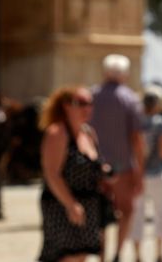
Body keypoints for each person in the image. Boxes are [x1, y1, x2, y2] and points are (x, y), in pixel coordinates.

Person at [90, 54, 145, 262]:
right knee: (127, 210)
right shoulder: (129, 99)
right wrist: (139, 171)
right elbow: (136, 139)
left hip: (95, 166)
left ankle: (102, 255)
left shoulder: (92, 95)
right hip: (123, 167)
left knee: (99, 215)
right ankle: (118, 252)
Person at [38, 86, 103, 262]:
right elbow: (52, 173)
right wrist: (71, 204)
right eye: (81, 103)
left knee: (81, 255)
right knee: (67, 256)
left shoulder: (88, 132)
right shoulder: (57, 132)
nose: (87, 108)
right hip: (61, 203)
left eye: (90, 103)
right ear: (66, 105)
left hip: (88, 203)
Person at [130, 85, 162, 262]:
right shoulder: (161, 123)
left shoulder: (136, 122)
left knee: (137, 215)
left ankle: (138, 255)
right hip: (157, 173)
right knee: (161, 213)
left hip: (138, 174)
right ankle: (159, 253)